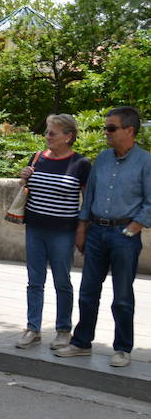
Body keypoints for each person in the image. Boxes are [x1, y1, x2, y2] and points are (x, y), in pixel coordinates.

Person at [56, 106, 150, 367]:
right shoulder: (103, 158)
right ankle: (82, 343)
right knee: (87, 291)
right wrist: (82, 228)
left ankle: (122, 348)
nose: (106, 132)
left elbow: (150, 202)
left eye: (111, 128)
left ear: (129, 130)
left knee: (121, 295)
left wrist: (133, 228)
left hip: (124, 235)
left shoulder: (145, 162)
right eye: (105, 128)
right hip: (96, 231)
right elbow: (90, 196)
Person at [16, 114, 91, 349]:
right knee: (34, 281)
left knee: (62, 281)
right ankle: (33, 328)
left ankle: (63, 330)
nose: (47, 136)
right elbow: (27, 188)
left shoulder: (80, 164)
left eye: (52, 133)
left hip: (63, 231)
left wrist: (82, 229)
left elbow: (87, 201)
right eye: (47, 132)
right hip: (35, 228)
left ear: (68, 136)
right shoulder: (38, 158)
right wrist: (24, 177)